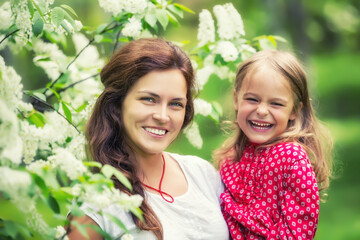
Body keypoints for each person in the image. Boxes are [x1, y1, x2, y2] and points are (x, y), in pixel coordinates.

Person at [66, 38, 229, 240]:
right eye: (149, 99)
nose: (162, 116)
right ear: (117, 104)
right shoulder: (94, 204)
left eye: (176, 104)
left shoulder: (203, 174)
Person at [213, 50, 333, 240]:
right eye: (252, 99)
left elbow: (298, 230)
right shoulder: (231, 158)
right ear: (236, 99)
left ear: (294, 110)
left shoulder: (292, 158)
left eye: (276, 104)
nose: (261, 111)